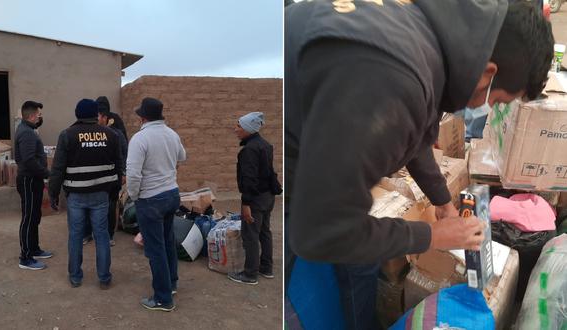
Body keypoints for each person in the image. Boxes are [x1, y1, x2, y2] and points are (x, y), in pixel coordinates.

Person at [285, 1, 553, 329]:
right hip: (286, 150)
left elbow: (415, 127)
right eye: (496, 101)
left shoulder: (431, 36)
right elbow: (320, 233)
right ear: (487, 74)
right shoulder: (391, 79)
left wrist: (442, 201)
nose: (486, 107)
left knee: (361, 262)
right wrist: (432, 236)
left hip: (312, 119)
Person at [48, 99, 122, 289]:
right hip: (101, 195)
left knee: (75, 236)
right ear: (96, 114)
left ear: (77, 114)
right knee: (102, 236)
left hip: (76, 196)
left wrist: (54, 194)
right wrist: (114, 192)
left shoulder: (67, 135)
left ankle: (75, 277)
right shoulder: (111, 135)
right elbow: (118, 167)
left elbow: (57, 169)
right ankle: (104, 278)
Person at [127, 97, 186, 312]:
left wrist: (135, 196)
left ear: (142, 117)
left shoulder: (140, 139)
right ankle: (170, 284)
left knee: (155, 249)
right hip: (171, 194)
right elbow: (183, 156)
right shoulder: (172, 134)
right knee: (167, 241)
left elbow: (133, 174)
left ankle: (163, 299)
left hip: (151, 199)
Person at [228, 112, 277, 285]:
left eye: (239, 126)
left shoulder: (249, 150)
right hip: (268, 197)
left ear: (249, 128)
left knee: (250, 235)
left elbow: (249, 179)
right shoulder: (265, 145)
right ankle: (266, 267)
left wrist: (246, 204)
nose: (236, 129)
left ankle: (250, 274)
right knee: (265, 231)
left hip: (255, 199)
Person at [82, 96, 129, 245]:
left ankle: (108, 235)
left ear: (104, 116)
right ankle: (87, 233)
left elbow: (124, 152)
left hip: (113, 175)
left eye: (100, 115)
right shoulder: (90, 129)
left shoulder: (116, 130)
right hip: (96, 175)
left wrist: (123, 173)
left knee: (110, 204)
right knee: (91, 203)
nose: (98, 118)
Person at [15, 101, 53, 270]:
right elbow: (28, 160)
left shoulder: (28, 130)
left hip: (33, 180)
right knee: (29, 218)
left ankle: (34, 249)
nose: (40, 116)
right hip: (29, 180)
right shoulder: (27, 133)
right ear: (31, 116)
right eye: (38, 114)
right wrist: (47, 174)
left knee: (34, 216)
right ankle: (26, 257)